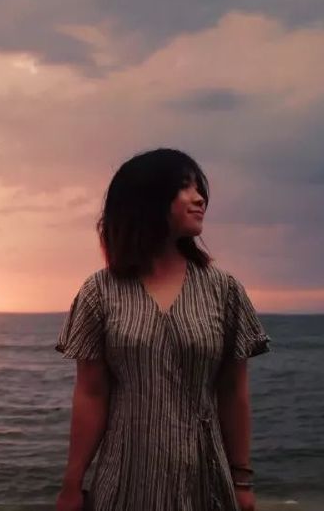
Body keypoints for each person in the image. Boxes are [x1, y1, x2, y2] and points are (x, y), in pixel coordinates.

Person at [55, 148, 271, 511]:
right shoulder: (100, 292)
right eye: (184, 187)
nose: (199, 198)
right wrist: (72, 485)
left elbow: (233, 391)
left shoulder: (223, 290)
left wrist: (242, 480)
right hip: (125, 480)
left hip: (204, 479)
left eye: (199, 188)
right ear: (147, 199)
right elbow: (91, 394)